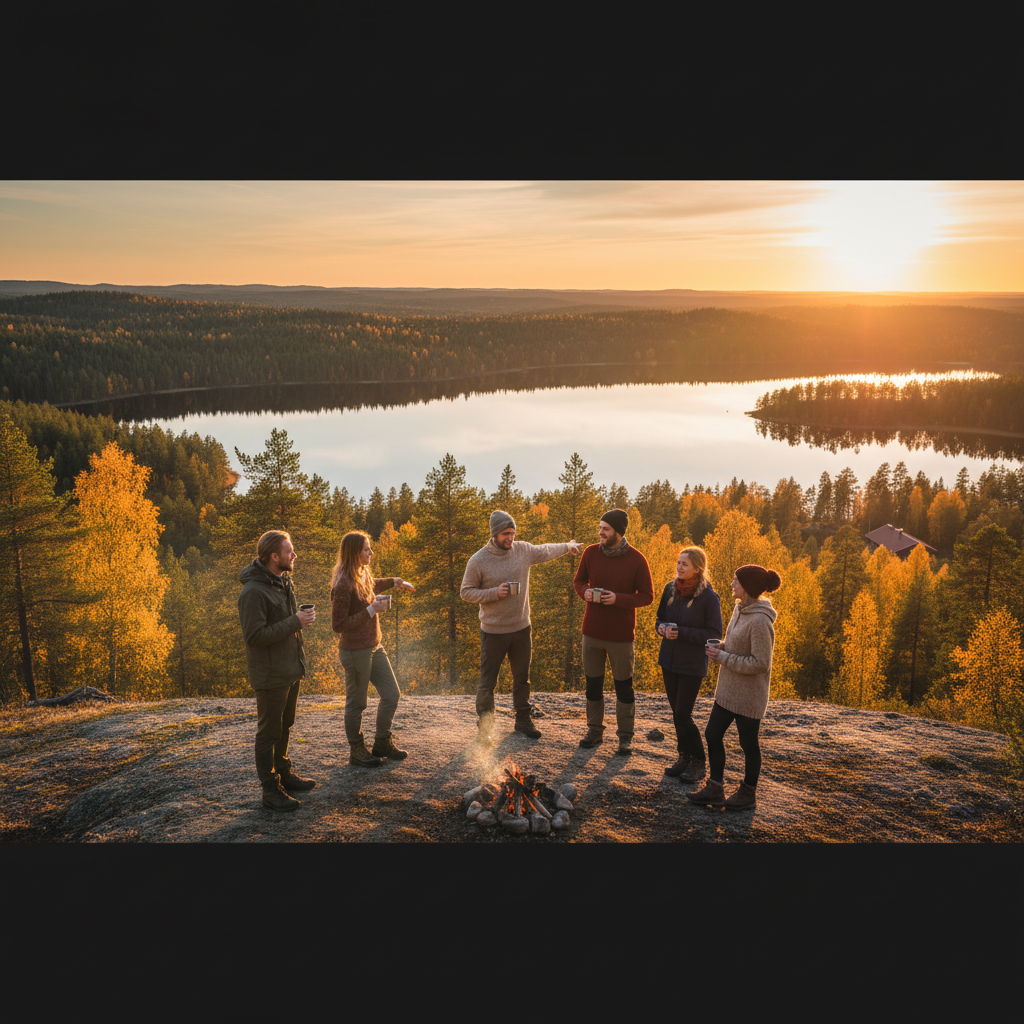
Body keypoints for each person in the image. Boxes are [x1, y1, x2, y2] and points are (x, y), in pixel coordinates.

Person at [461, 510, 580, 744]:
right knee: (488, 682)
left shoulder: (523, 550)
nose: (510, 538)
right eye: (506, 534)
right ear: (495, 534)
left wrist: (567, 546)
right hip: (493, 631)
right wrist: (495, 593)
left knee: (522, 678)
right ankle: (485, 729)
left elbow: (544, 550)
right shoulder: (478, 560)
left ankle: (523, 721)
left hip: (521, 628)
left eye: (513, 533)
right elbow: (466, 592)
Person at [688, 563, 781, 811]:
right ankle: (715, 788)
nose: (732, 584)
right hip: (727, 691)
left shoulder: (761, 621)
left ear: (747, 587)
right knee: (712, 734)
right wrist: (721, 647)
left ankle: (748, 794)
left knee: (748, 744)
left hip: (749, 695)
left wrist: (723, 657)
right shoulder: (740, 609)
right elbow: (736, 645)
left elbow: (761, 663)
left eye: (736, 581)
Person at [238, 530, 317, 812]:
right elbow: (255, 636)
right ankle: (270, 791)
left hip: (289, 669)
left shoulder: (282, 582)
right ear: (274, 556)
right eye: (289, 551)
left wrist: (298, 621)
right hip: (270, 675)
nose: (294, 555)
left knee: (285, 725)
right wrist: (296, 621)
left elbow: (284, 623)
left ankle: (283, 773)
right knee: (268, 732)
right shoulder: (253, 592)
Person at [331, 530, 416, 767]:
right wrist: (371, 610)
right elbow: (338, 625)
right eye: (367, 549)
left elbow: (372, 585)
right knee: (357, 703)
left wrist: (395, 582)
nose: (371, 552)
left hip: (374, 647)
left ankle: (382, 742)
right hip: (355, 651)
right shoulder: (343, 583)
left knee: (391, 694)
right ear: (354, 553)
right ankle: (357, 750)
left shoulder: (362, 572)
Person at [573, 509, 654, 755]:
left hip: (621, 636)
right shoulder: (590, 553)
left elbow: (647, 596)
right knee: (593, 685)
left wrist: (617, 599)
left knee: (624, 687)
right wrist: (585, 592)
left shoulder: (637, 559)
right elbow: (579, 581)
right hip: (592, 632)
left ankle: (625, 737)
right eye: (600, 528)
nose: (601, 533)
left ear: (618, 532)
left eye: (606, 529)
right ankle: (594, 731)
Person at [655, 546, 722, 783]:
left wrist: (681, 632)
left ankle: (699, 762)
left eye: (685, 564)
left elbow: (714, 634)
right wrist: (662, 629)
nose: (679, 567)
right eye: (678, 562)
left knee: (683, 714)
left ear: (697, 568)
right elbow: (659, 619)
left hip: (691, 665)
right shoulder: (670, 589)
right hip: (669, 661)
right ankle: (683, 757)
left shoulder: (709, 598)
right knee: (676, 714)